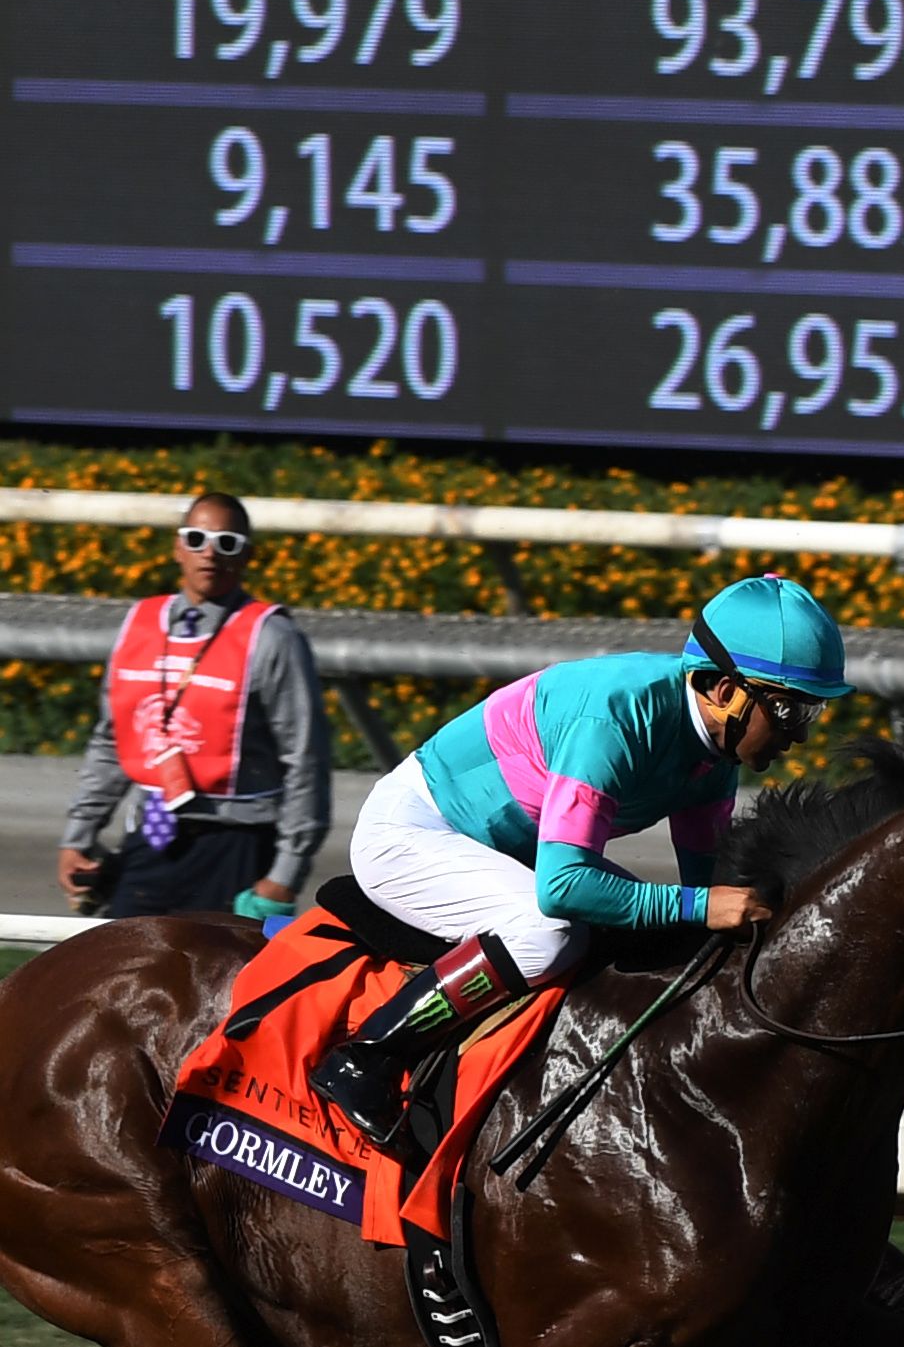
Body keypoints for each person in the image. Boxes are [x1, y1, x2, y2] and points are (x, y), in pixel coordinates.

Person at [307, 574, 848, 1143]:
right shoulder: (614, 720)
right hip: (414, 832)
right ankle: (365, 1057)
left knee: (661, 936)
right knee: (549, 934)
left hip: (509, 850)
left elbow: (704, 881)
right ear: (722, 690)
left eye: (810, 715)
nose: (799, 737)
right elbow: (563, 887)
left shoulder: (715, 748)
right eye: (789, 712)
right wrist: (701, 905)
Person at [57, 490, 328, 930]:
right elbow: (111, 740)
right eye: (197, 538)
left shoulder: (274, 637)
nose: (210, 553)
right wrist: (79, 834)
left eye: (227, 543)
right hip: (152, 835)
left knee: (225, 995)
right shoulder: (139, 623)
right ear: (177, 547)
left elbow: (306, 760)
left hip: (237, 847)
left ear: (247, 555)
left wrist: (286, 874)